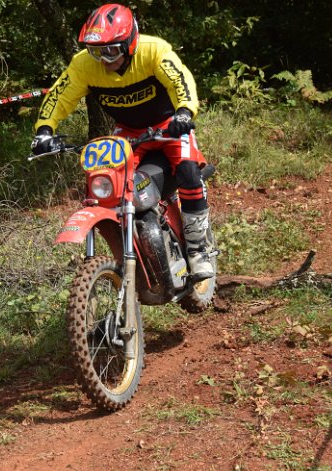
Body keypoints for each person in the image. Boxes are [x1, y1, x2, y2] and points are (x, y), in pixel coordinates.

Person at [31, 3, 214, 281]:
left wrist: (184, 112)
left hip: (170, 126)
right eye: (96, 51)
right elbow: (60, 96)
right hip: (128, 131)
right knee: (108, 181)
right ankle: (134, 247)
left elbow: (181, 81)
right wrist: (44, 130)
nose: (103, 59)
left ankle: (199, 250)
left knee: (188, 171)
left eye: (111, 50)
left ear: (130, 43)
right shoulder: (84, 65)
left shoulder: (153, 51)